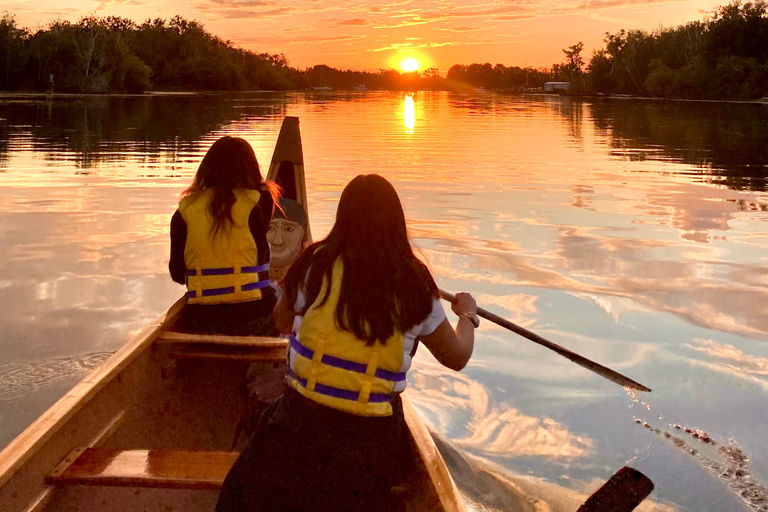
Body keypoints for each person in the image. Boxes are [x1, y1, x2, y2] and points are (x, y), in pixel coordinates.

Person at [216, 174, 478, 512]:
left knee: (237, 494)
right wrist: (467, 315)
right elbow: (457, 357)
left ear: (343, 216)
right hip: (368, 437)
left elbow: (281, 322)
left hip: (299, 421)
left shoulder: (314, 262)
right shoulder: (414, 282)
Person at [168, 136, 280, 336]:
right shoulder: (260, 201)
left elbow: (177, 274)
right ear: (251, 168)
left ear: (205, 169)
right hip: (255, 315)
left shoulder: (184, 211)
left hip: (202, 318)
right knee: (283, 296)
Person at [266, 197, 308, 282]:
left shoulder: (313, 279)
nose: (277, 241)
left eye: (288, 229)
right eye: (270, 228)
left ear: (304, 234)